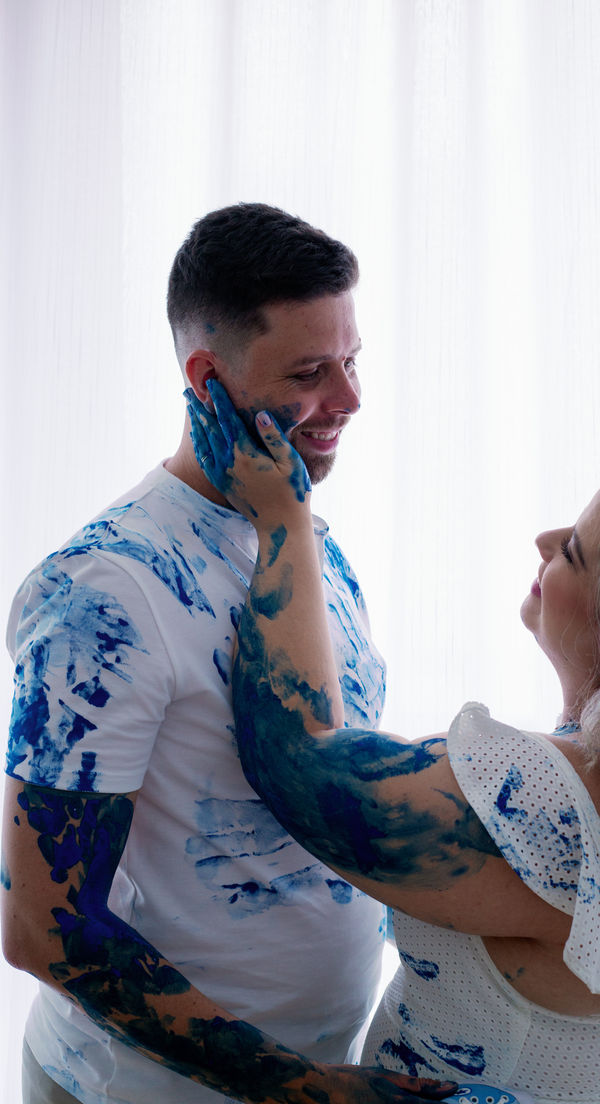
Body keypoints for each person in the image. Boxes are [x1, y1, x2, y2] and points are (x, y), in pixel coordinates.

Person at [1, 203, 457, 1104]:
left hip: (314, 1065)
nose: (352, 399)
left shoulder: (303, 538)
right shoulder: (104, 591)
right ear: (206, 378)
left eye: (353, 361)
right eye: (312, 372)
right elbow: (40, 924)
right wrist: (302, 1088)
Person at [186, 388, 600, 1104]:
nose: (544, 541)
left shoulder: (550, 809)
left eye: (572, 549)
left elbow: (294, 759)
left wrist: (284, 517)